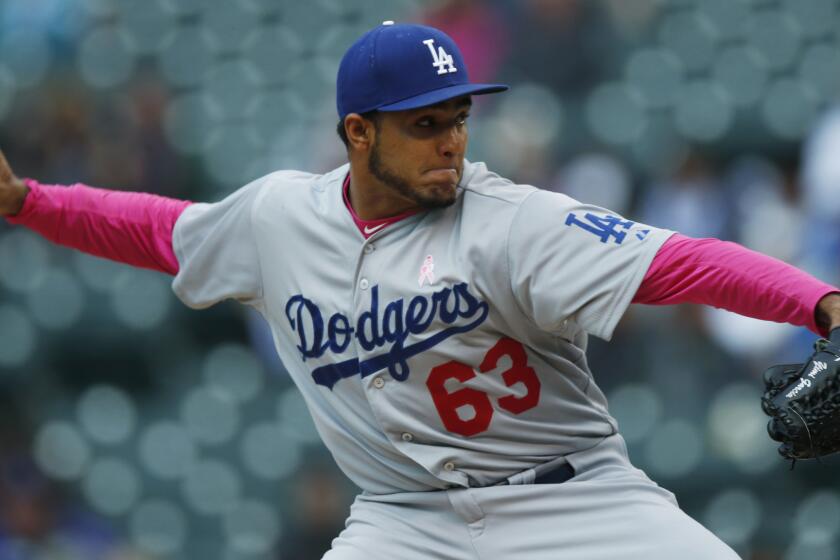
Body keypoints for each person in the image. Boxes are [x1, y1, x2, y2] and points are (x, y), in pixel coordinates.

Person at [1, 22, 838, 560]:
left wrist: (821, 304)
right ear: (358, 134)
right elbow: (154, 227)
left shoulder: (513, 220)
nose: (452, 142)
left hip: (574, 501)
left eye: (459, 117)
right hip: (403, 521)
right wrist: (28, 203)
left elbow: (683, 262)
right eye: (425, 124)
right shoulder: (277, 218)